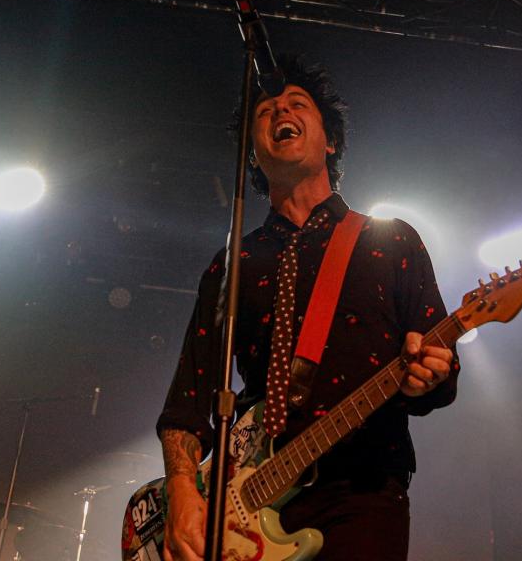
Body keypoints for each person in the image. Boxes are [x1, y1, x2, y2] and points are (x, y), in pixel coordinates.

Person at [156, 54, 459, 561]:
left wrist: (433, 372)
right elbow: (189, 400)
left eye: (296, 105)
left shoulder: (391, 240)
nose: (280, 112)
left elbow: (439, 368)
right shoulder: (235, 263)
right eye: (265, 112)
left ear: (331, 140)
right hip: (243, 509)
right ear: (252, 154)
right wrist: (183, 492)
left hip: (361, 491)